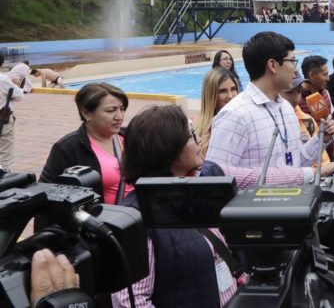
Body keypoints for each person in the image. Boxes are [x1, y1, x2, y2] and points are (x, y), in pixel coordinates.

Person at [112, 106, 241, 308]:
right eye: (190, 137)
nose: (198, 141)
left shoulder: (193, 188)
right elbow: (131, 300)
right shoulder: (139, 218)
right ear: (168, 150)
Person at [205, 32, 334, 185]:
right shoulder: (235, 115)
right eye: (292, 61)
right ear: (273, 65)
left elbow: (293, 163)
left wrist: (321, 139)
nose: (295, 70)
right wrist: (311, 173)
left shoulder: (286, 108)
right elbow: (214, 179)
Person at [40, 83, 132, 204]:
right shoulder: (68, 147)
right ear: (86, 113)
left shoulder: (131, 137)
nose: (119, 117)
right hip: (102, 220)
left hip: (139, 218)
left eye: (122, 109)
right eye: (111, 110)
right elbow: (47, 192)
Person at [282, 71, 331, 164]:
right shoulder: (272, 122)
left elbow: (323, 160)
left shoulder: (308, 121)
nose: (295, 97)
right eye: (290, 92)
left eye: (298, 91)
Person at [194, 68, 240, 158]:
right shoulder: (198, 131)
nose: (230, 96)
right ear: (210, 95)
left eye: (233, 89)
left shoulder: (243, 121)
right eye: (222, 91)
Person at [0, 55, 23, 168]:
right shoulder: (3, 79)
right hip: (2, 120)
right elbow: (19, 96)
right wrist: (15, 84)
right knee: (5, 156)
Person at [298, 55, 333, 123]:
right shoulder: (296, 99)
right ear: (312, 75)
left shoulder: (325, 92)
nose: (328, 78)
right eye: (325, 74)